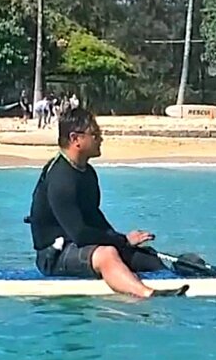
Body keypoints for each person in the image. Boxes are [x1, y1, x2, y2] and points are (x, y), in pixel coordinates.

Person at [29, 107, 165, 298]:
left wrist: (124, 244)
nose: (101, 139)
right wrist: (122, 240)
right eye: (95, 134)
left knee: (146, 258)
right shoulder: (61, 178)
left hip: (80, 245)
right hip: (53, 256)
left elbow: (94, 217)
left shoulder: (87, 173)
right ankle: (146, 294)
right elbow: (80, 234)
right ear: (75, 139)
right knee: (107, 254)